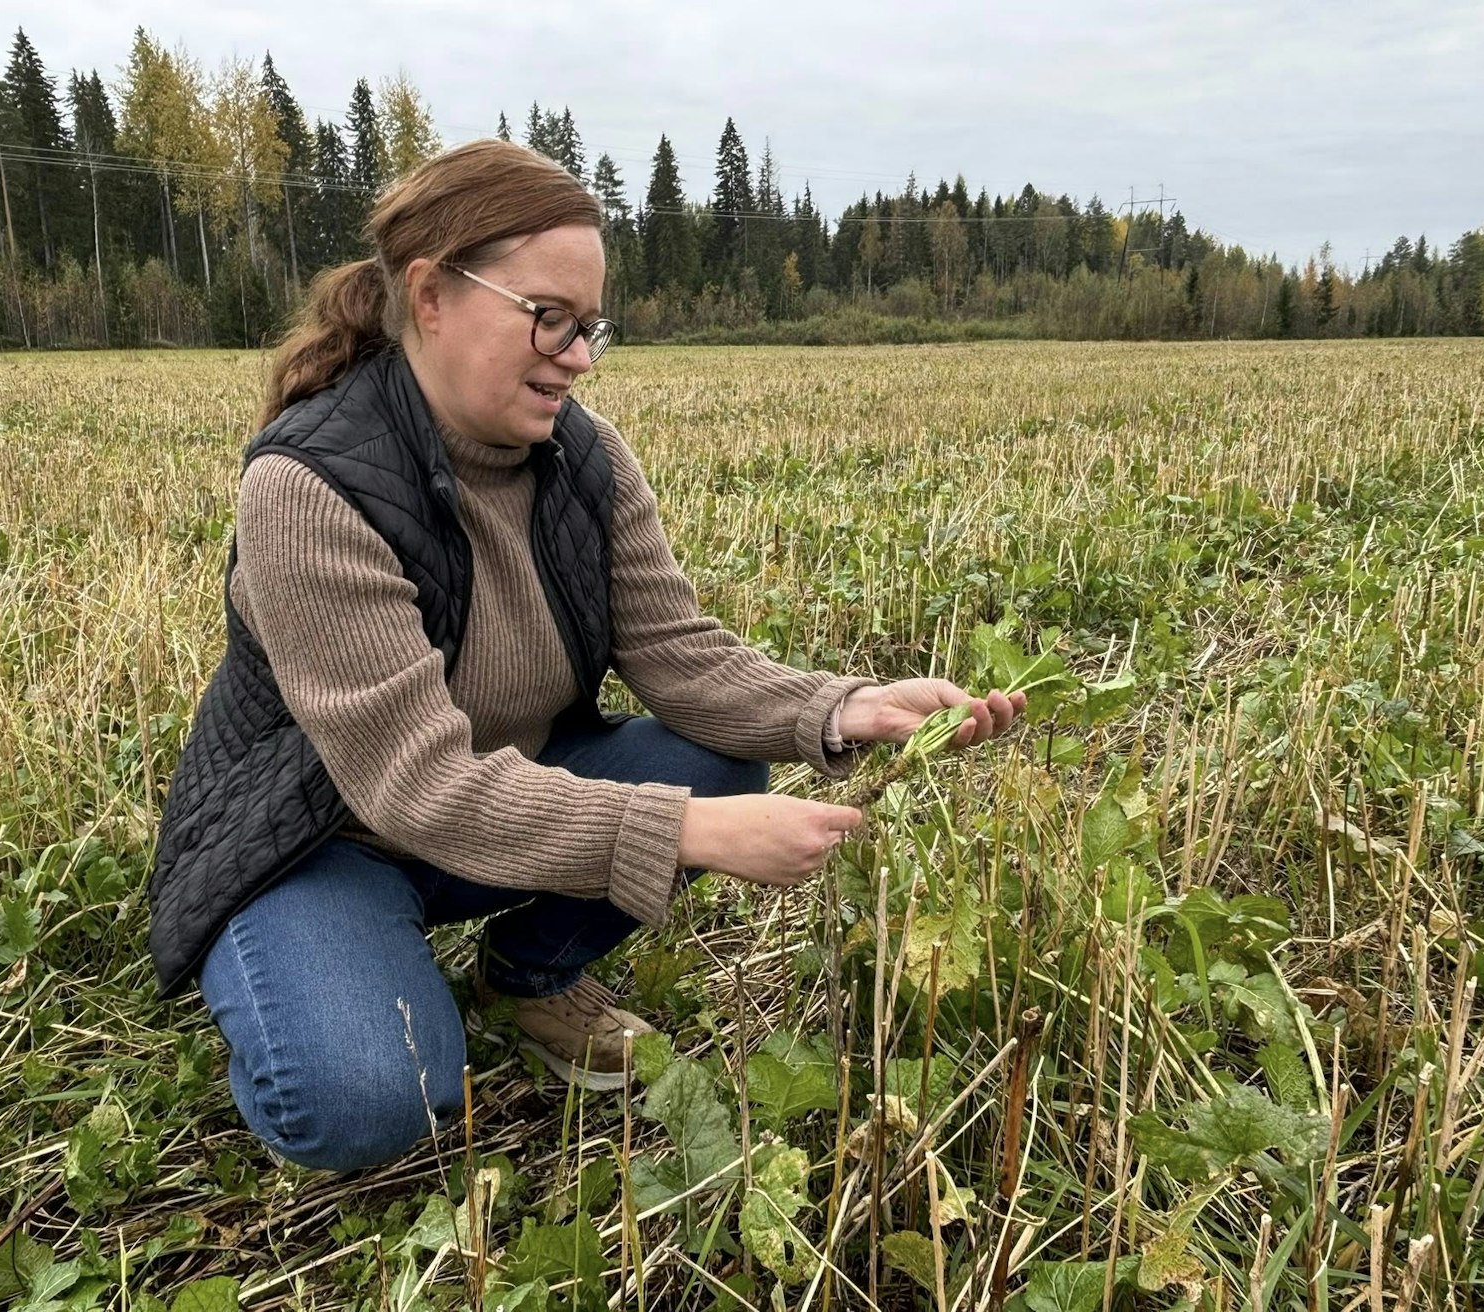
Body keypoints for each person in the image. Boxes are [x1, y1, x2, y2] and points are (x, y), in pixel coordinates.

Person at [145, 139, 1026, 1173]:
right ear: (430, 295)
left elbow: (683, 659)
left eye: (590, 327)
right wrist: (688, 830)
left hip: (485, 816)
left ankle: (528, 977)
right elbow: (415, 785)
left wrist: (846, 709)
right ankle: (296, 961)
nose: (576, 356)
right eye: (547, 318)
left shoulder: (586, 458)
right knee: (369, 1099)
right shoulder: (309, 486)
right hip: (319, 840)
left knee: (717, 753)